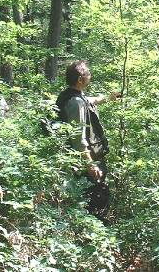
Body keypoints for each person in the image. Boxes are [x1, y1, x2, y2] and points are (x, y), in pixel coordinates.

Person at [56, 60, 120, 220]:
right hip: (85, 161)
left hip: (83, 160)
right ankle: (92, 234)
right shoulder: (75, 103)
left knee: (92, 198)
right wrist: (90, 164)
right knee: (95, 200)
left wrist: (108, 98)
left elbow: (91, 100)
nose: (90, 76)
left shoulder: (74, 97)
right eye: (88, 74)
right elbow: (78, 137)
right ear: (80, 79)